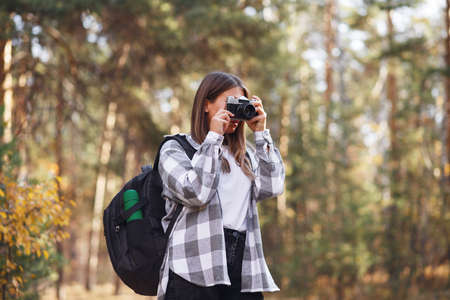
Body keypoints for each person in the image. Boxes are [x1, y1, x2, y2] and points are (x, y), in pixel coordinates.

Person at [157, 71, 285, 300]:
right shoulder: (175, 149)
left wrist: (261, 133)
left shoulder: (245, 157)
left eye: (242, 105)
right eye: (230, 104)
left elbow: (274, 186)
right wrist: (213, 138)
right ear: (206, 104)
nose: (236, 112)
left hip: (243, 268)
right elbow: (197, 193)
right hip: (192, 268)